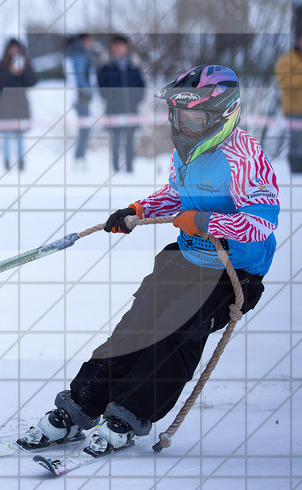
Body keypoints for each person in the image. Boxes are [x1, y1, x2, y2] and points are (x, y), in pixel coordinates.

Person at [19, 65, 278, 455]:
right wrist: (138, 209)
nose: (184, 123)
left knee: (176, 335)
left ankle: (128, 415)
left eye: (194, 116)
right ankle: (80, 407)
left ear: (223, 113)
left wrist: (209, 221)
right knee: (135, 327)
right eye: (180, 114)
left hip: (233, 271)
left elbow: (262, 221)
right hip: (188, 255)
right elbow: (176, 196)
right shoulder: (186, 152)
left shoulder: (245, 158)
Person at [97, 35, 146, 173]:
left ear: (126, 48)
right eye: (115, 46)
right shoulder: (106, 67)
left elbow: (141, 86)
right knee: (116, 140)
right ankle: (116, 170)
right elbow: (102, 87)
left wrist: (136, 99)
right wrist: (111, 100)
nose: (118, 49)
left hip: (131, 108)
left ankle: (130, 169)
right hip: (114, 109)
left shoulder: (134, 66)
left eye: (121, 46)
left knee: (130, 140)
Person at [0, 39, 37, 171]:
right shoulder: (0, 66)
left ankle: (21, 161)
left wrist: (21, 72)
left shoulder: (26, 65)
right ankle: (6, 161)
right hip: (5, 104)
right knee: (5, 135)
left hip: (20, 104)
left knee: (20, 135)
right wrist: (10, 73)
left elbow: (32, 81)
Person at [274, 9, 302, 174]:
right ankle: (296, 173)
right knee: (296, 144)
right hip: (294, 110)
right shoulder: (286, 60)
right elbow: (285, 82)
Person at [66, 33, 98, 169]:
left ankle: (80, 158)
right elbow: (79, 77)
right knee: (85, 129)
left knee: (84, 128)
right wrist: (90, 90)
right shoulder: (80, 54)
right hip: (81, 97)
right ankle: (79, 159)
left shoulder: (77, 52)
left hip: (80, 96)